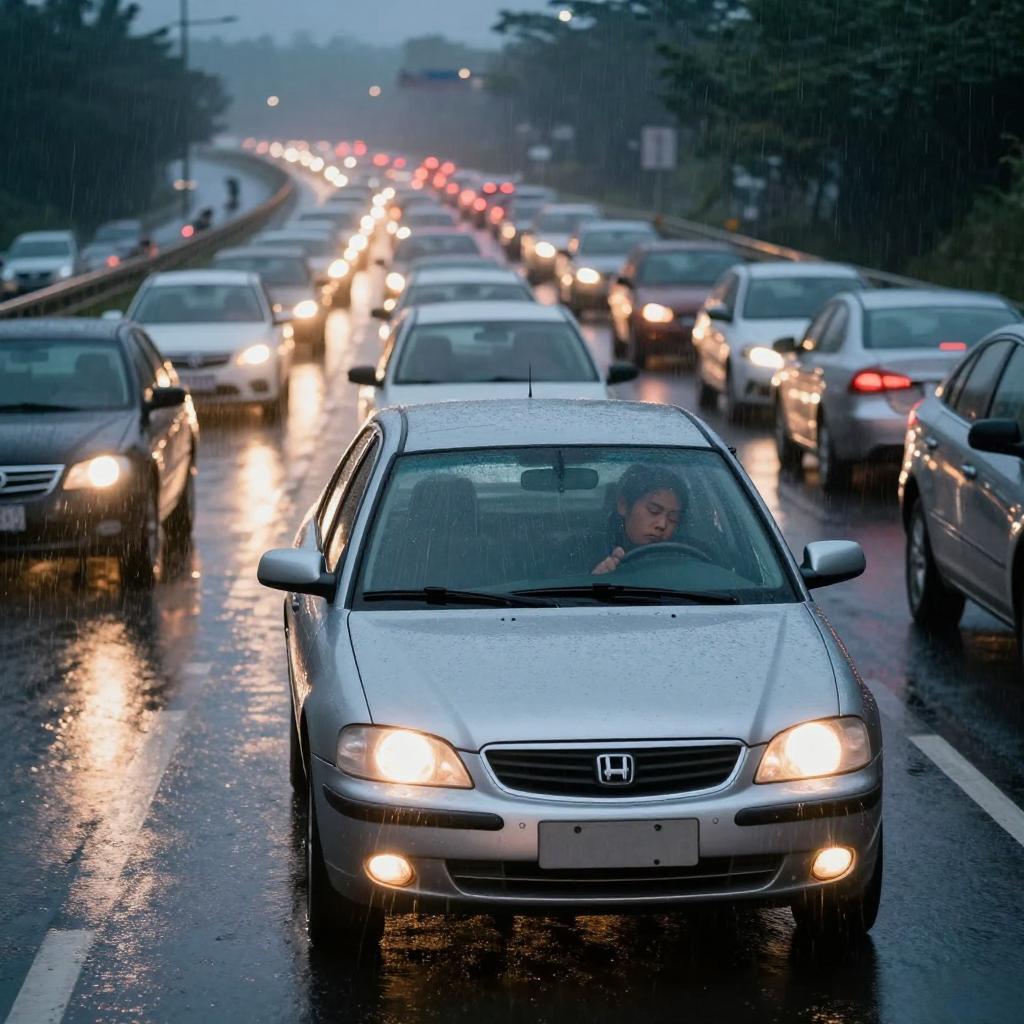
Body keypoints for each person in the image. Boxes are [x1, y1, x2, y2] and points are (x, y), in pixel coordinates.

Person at [591, 463, 686, 575]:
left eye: (672, 518)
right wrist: (595, 581)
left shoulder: (688, 556)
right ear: (624, 506)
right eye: (653, 510)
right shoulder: (580, 552)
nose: (662, 525)